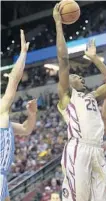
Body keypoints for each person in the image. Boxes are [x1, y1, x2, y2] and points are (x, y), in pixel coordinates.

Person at [53, 4, 106, 201]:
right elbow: (64, 59)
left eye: (82, 76)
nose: (80, 78)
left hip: (97, 148)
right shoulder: (67, 96)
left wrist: (94, 58)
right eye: (76, 76)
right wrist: (59, 23)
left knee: (101, 197)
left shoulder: (92, 96)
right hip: (78, 148)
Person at [0, 30, 37, 201]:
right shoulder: (1, 110)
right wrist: (22, 54)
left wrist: (32, 114)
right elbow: (13, 81)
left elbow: (25, 129)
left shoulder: (4, 121)